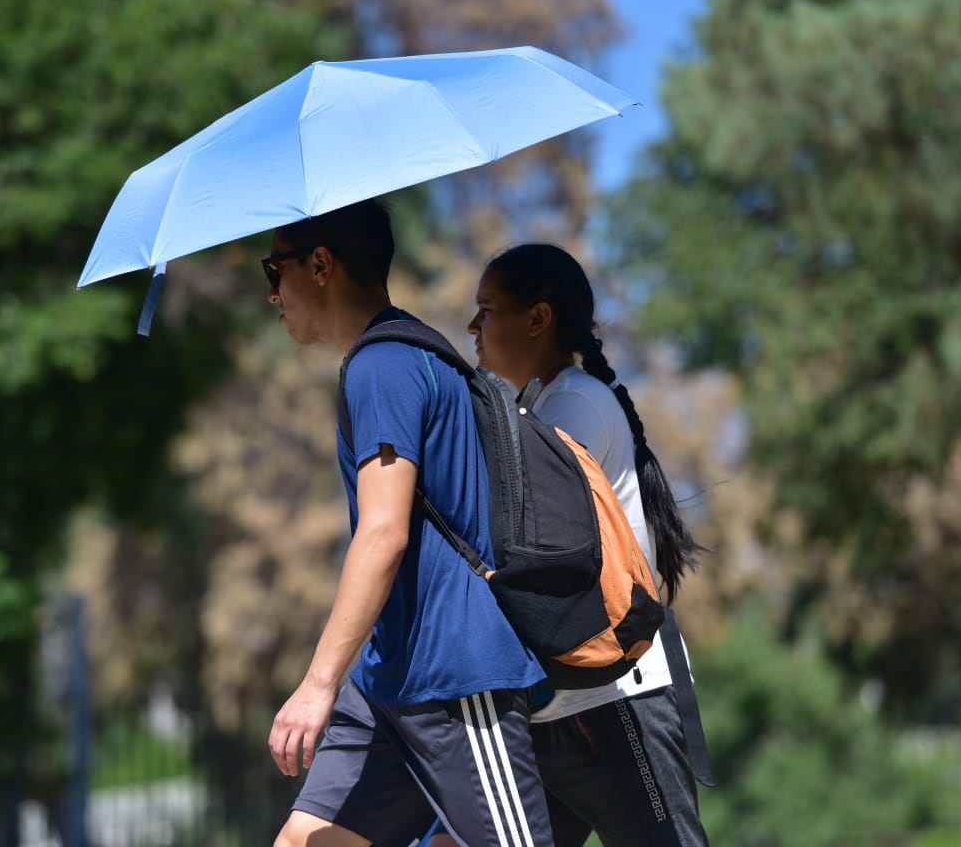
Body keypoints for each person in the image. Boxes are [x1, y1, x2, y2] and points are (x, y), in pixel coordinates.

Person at [264, 199, 553, 847]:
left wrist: (316, 684)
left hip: (454, 676)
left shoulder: (384, 365)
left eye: (273, 270)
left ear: (320, 265)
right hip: (389, 675)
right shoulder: (406, 353)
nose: (270, 293)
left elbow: (384, 531)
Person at [443, 242, 711, 847]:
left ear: (538, 319)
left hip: (617, 700)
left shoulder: (573, 404)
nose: (472, 326)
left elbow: (539, 540)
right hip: (564, 707)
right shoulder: (544, 405)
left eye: (487, 309)